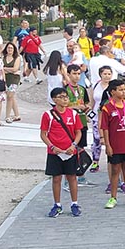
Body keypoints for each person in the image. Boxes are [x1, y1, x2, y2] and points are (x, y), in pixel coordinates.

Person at [41, 88, 83, 217]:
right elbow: (43, 134)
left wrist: (74, 145)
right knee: (56, 178)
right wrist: (52, 146)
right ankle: (57, 204)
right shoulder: (48, 115)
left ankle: (74, 203)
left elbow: (78, 132)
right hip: (55, 153)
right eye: (61, 97)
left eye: (66, 97)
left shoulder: (73, 114)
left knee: (72, 177)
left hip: (70, 151)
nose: (65, 99)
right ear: (54, 99)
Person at [99, 79, 125, 209]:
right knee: (115, 170)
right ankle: (113, 197)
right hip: (115, 144)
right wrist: (107, 145)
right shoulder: (107, 107)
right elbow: (105, 128)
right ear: (113, 92)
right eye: (121, 90)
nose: (124, 92)